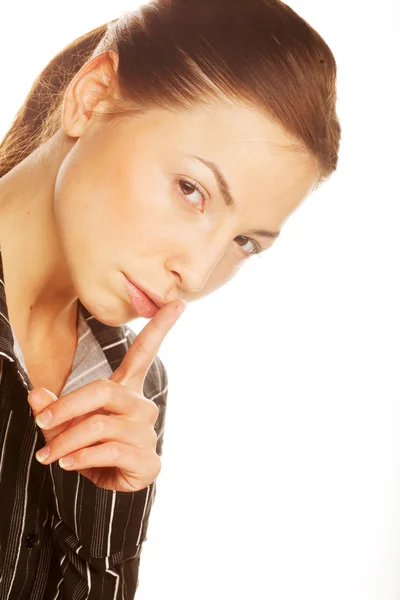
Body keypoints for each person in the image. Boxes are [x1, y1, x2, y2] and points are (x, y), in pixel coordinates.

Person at [0, 0, 341, 597]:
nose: (197, 270)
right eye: (192, 189)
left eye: (244, 242)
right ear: (93, 96)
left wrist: (105, 512)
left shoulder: (132, 390)